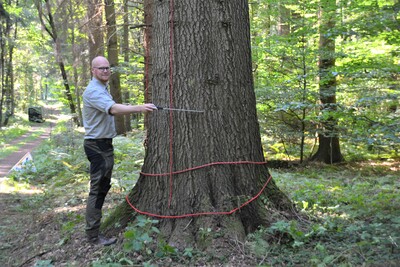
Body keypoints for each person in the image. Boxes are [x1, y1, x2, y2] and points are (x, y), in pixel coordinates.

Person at [82, 56, 157, 246]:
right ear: (93, 70)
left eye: (108, 68)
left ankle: (93, 231)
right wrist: (140, 107)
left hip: (103, 144)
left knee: (102, 188)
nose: (106, 71)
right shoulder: (93, 91)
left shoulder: (101, 88)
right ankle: (92, 236)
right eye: (101, 68)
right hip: (97, 146)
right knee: (98, 191)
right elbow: (114, 109)